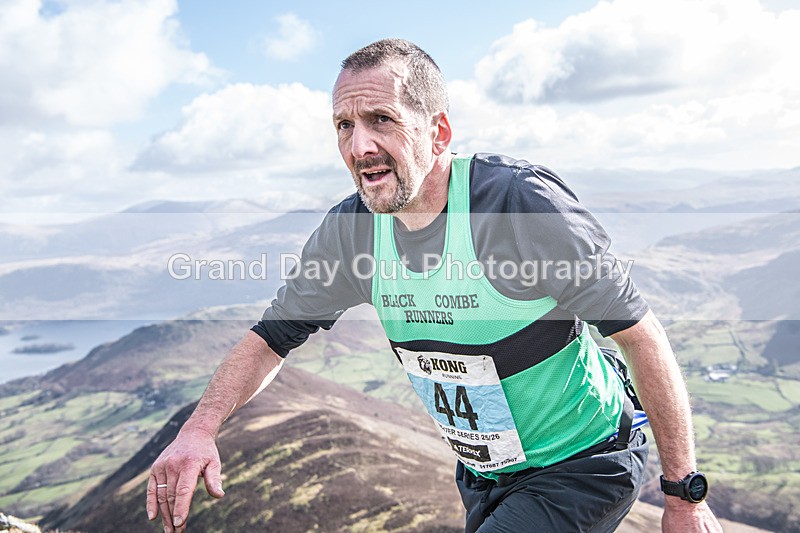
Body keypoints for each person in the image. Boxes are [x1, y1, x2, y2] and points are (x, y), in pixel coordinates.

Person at [147, 39, 722, 532]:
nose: (358, 147)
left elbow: (640, 336)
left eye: (381, 119)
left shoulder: (515, 206)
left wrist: (683, 497)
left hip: (583, 462)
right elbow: (270, 339)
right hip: (483, 475)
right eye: (344, 125)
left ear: (438, 131)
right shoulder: (351, 233)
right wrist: (199, 429)